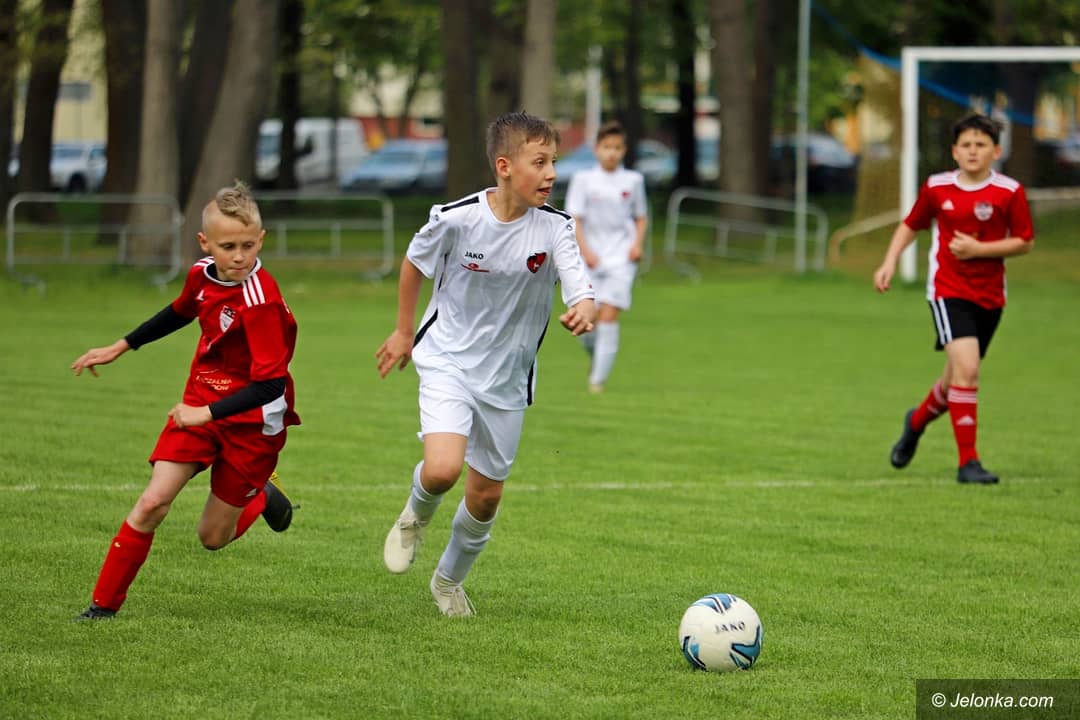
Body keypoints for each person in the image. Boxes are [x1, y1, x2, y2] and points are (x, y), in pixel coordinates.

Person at [375, 111, 596, 617]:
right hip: (448, 359)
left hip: (507, 379)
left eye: (554, 162)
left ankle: (448, 582)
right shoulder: (457, 218)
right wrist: (404, 331)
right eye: (539, 162)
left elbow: (578, 282)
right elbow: (413, 263)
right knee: (443, 469)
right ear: (504, 166)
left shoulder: (556, 227)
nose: (551, 174)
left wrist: (584, 306)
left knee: (486, 497)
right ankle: (414, 516)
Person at [70, 181, 300, 620]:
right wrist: (122, 345)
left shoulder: (262, 302)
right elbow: (181, 310)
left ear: (261, 239)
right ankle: (103, 607)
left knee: (212, 538)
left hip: (253, 424)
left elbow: (270, 386)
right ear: (204, 243)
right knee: (152, 502)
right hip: (201, 402)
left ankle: (260, 497)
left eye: (248, 245)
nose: (239, 256)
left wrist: (203, 414)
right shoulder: (202, 273)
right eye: (228, 246)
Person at [873, 112, 1033, 484]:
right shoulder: (937, 187)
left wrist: (980, 250)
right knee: (969, 370)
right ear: (954, 152)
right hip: (948, 291)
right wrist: (889, 261)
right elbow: (911, 224)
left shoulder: (1009, 191)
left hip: (990, 296)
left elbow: (1024, 242)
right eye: (966, 145)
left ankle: (915, 423)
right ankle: (968, 463)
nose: (973, 151)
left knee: (954, 382)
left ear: (996, 152)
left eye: (981, 145)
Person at [564, 120, 648, 393]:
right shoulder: (583, 180)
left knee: (609, 317)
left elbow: (641, 217)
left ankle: (596, 382)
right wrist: (586, 252)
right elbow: (575, 218)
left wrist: (636, 245)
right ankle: (596, 359)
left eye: (617, 147)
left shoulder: (633, 181)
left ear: (624, 150)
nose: (612, 152)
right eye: (607, 147)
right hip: (590, 260)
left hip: (621, 260)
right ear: (597, 149)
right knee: (587, 321)